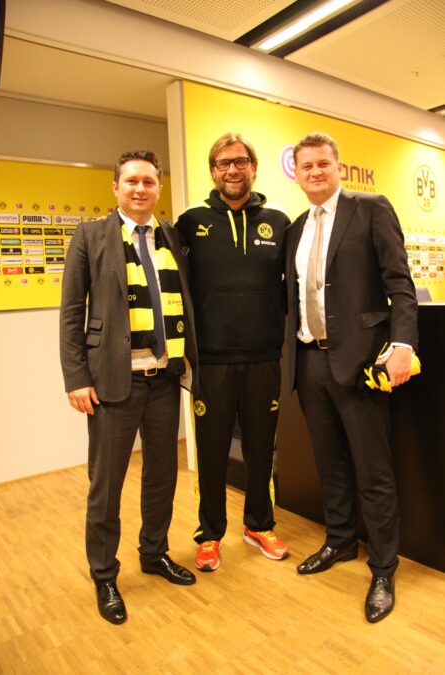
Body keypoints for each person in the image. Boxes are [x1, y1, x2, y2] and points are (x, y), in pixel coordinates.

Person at [60, 150, 198, 625]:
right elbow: (71, 313)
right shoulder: (91, 235)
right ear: (115, 187)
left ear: (159, 188)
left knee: (162, 477)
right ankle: (104, 574)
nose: (141, 189)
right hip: (112, 384)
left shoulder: (172, 236)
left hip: (165, 380)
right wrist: (76, 377)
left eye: (149, 182)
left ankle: (154, 553)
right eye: (132, 181)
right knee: (106, 485)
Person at [286, 132, 418, 622]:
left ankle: (383, 567)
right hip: (309, 361)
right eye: (307, 166)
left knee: (372, 470)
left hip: (361, 362)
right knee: (331, 464)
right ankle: (340, 540)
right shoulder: (297, 228)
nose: (315, 172)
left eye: (323, 164)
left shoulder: (371, 209)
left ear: (338, 167)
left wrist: (403, 345)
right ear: (297, 175)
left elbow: (400, 284)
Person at [176, 132, 290, 572]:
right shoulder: (190, 222)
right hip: (211, 361)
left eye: (240, 161)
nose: (232, 170)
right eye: (223, 163)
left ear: (253, 167)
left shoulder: (278, 222)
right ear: (213, 171)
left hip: (264, 358)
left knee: (261, 449)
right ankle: (210, 534)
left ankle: (259, 525)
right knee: (211, 453)